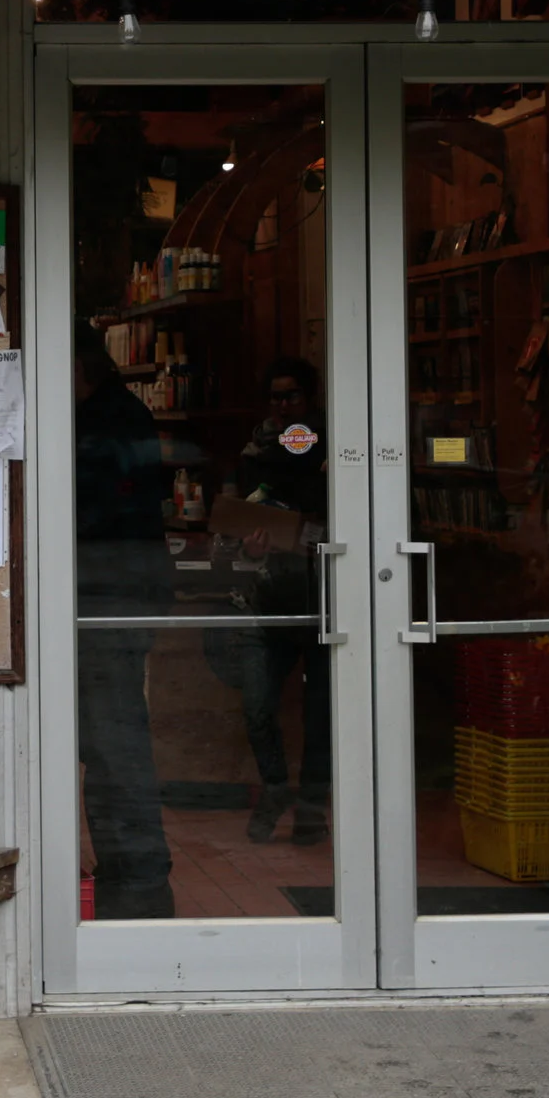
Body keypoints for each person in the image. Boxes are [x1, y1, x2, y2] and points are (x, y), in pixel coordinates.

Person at [73, 320, 176, 918]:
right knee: (108, 742)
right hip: (110, 597)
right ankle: (130, 877)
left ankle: (137, 887)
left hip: (111, 601)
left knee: (113, 744)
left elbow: (95, 513)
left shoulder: (109, 422)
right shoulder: (116, 415)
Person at [215, 358, 333, 845]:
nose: (284, 407)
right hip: (267, 598)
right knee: (259, 706)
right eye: (276, 398)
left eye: (293, 397)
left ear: (311, 399)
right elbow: (236, 520)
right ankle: (276, 788)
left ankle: (311, 809)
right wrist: (249, 544)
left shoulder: (337, 446)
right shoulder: (254, 451)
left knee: (321, 716)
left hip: (326, 597)